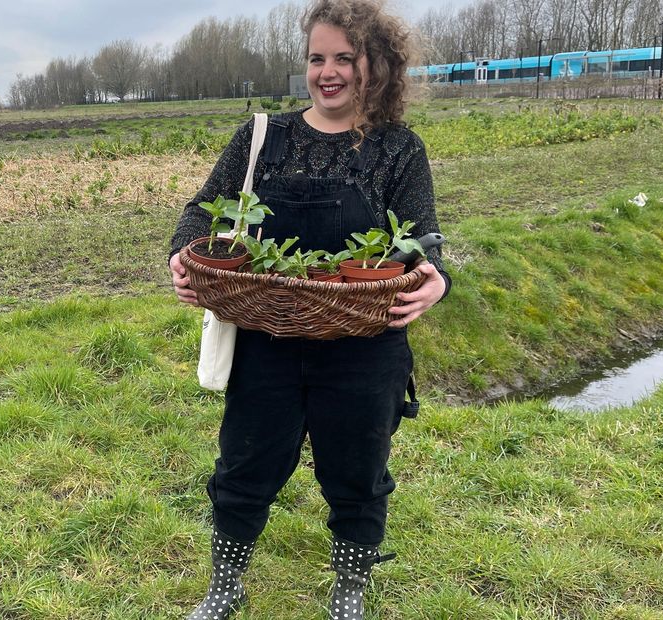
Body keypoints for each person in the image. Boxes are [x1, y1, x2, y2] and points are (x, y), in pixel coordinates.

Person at [167, 1, 451, 618]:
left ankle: (350, 584)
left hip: (364, 346)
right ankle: (226, 584)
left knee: (358, 469)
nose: (329, 72)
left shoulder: (398, 149)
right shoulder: (263, 136)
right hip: (267, 337)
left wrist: (437, 280)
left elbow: (423, 239)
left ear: (376, 65)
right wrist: (182, 257)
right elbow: (201, 209)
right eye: (317, 58)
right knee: (245, 462)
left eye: (344, 58)